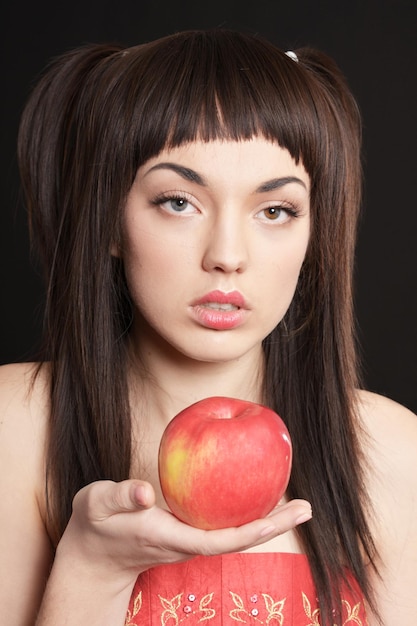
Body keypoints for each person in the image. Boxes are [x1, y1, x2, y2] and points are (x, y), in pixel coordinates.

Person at [0, 28, 416, 626]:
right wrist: (93, 569)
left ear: (314, 233)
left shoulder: (391, 452)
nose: (227, 254)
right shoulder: (21, 426)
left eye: (275, 210)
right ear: (110, 221)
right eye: (178, 201)